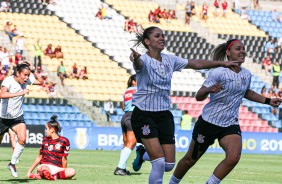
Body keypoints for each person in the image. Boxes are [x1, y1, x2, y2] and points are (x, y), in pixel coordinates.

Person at [129, 26, 240, 184]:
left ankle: (142, 152)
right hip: (144, 114)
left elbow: (196, 64)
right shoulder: (143, 60)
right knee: (159, 163)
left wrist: (222, 64)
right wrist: (136, 58)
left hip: (164, 114)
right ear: (147, 41)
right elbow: (138, 64)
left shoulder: (170, 59)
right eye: (157, 36)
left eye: (163, 35)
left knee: (168, 164)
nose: (162, 38)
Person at [169, 39, 282, 184]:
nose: (242, 51)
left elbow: (246, 93)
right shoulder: (218, 72)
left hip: (230, 123)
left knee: (233, 157)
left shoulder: (246, 74)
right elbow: (199, 96)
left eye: (243, 48)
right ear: (228, 52)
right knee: (189, 160)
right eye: (237, 49)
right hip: (208, 123)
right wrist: (209, 89)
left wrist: (267, 101)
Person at [0, 62, 44, 178]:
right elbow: (2, 95)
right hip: (2, 117)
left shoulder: (26, 80)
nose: (26, 77)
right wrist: (20, 93)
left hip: (17, 116)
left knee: (23, 138)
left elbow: (41, 82)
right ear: (18, 73)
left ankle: (12, 163)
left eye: (28, 75)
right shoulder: (8, 81)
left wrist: (33, 71)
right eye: (24, 75)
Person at [27, 115, 76, 180]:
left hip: (57, 168)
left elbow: (64, 159)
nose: (45, 131)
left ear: (52, 130)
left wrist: (64, 170)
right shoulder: (44, 140)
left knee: (72, 171)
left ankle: (47, 176)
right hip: (44, 166)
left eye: (46, 129)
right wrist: (29, 171)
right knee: (44, 168)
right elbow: (39, 157)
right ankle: (49, 175)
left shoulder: (64, 141)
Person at [114, 74, 137, 176]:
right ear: (133, 81)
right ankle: (119, 168)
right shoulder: (139, 89)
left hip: (125, 117)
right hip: (133, 116)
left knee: (126, 144)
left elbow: (123, 107)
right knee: (131, 144)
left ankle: (122, 167)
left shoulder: (126, 91)